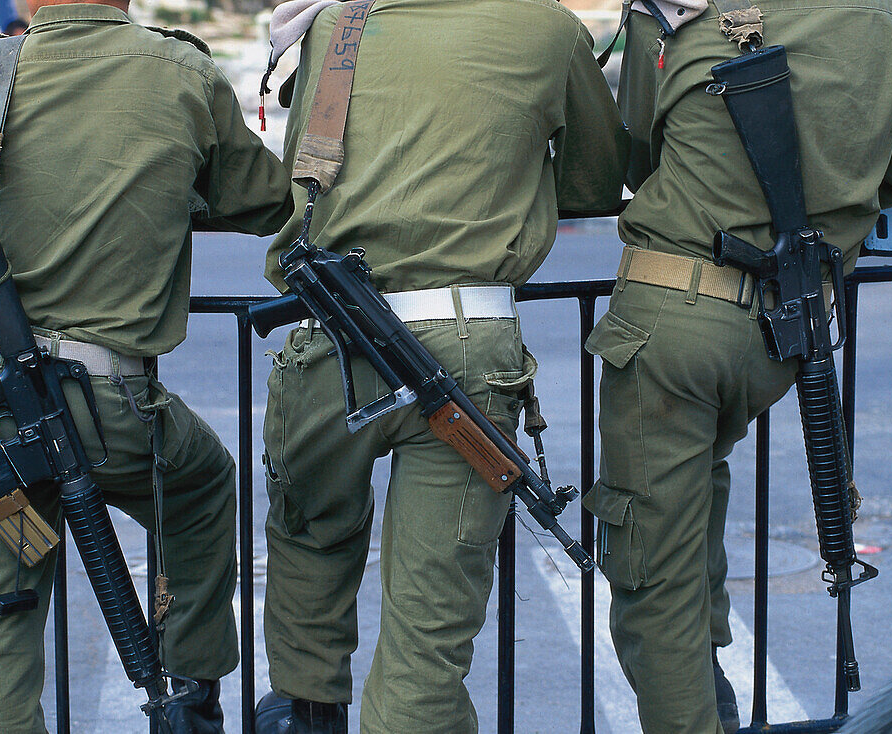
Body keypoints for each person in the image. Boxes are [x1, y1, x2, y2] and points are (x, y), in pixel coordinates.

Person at [0, 1, 293, 731]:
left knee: (2, 628)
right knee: (202, 484)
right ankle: (192, 692)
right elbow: (266, 199)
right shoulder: (182, 69)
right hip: (106, 406)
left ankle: (27, 583)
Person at [253, 0, 628, 732]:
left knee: (308, 539)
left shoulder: (334, 25)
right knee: (430, 631)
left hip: (330, 334)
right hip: (466, 341)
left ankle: (304, 705)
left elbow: (302, 182)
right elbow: (592, 186)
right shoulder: (549, 29)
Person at [582, 0, 892, 732]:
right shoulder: (882, 13)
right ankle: (713, 698)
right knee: (695, 506)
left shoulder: (675, 9)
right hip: (782, 330)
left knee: (654, 581)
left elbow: (639, 157)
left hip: (673, 322)